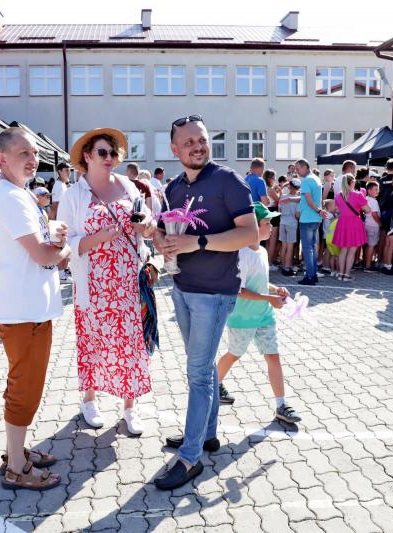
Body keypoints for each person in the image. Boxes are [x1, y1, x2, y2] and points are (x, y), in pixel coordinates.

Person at [153, 115, 256, 490]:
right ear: (175, 149)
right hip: (182, 288)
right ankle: (207, 434)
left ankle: (190, 456)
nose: (197, 147)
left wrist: (197, 242)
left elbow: (250, 234)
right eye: (189, 142)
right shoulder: (174, 187)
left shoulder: (228, 180)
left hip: (214, 294)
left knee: (197, 373)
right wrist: (163, 243)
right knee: (204, 366)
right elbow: (162, 231)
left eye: (202, 140)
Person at [0, 127, 70, 491]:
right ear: (2, 159)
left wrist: (54, 237)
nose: (33, 159)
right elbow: (43, 256)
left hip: (28, 308)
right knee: (25, 390)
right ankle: (17, 468)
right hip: (25, 312)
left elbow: (37, 245)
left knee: (23, 386)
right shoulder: (11, 197)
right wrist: (66, 249)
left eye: (34, 153)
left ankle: (15, 453)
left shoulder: (16, 193)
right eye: (24, 153)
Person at [57, 128, 155, 436]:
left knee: (131, 344)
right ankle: (90, 400)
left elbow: (147, 224)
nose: (109, 157)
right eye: (102, 152)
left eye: (113, 153)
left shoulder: (128, 186)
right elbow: (65, 242)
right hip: (93, 284)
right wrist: (99, 238)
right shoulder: (74, 195)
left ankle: (130, 407)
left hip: (127, 282)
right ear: (87, 156)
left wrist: (147, 226)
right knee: (92, 342)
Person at [216, 202, 302, 423]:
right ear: (253, 226)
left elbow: (260, 283)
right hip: (242, 318)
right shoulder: (241, 254)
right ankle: (214, 384)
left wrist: (275, 290)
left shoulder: (262, 252)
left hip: (264, 316)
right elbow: (239, 290)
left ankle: (281, 405)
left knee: (273, 356)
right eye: (267, 223)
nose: (272, 227)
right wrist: (269, 298)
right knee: (234, 354)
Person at [296, 159, 328, 285]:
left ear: (305, 167)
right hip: (315, 218)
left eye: (298, 168)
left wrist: (319, 210)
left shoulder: (306, 180)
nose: (297, 171)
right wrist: (319, 211)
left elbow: (309, 201)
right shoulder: (316, 179)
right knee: (313, 248)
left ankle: (310, 276)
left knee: (307, 249)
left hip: (308, 218)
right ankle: (313, 275)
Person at [333, 174, 369, 281]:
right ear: (352, 182)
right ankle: (347, 275)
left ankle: (340, 274)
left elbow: (336, 209)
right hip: (354, 223)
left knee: (343, 250)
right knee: (352, 251)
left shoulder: (338, 196)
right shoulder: (358, 195)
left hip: (342, 223)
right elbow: (367, 209)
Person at [278, 178, 300, 276]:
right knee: (290, 247)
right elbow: (297, 215)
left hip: (282, 222)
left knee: (284, 246)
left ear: (289, 186)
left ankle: (283, 266)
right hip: (292, 224)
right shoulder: (298, 200)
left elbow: (279, 211)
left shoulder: (283, 196)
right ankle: (287, 268)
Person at [363, 181, 382, 272]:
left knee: (368, 245)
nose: (378, 191)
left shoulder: (366, 199)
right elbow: (374, 214)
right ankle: (368, 266)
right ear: (369, 190)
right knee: (371, 245)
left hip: (367, 224)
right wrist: (380, 223)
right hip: (373, 225)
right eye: (375, 189)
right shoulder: (374, 201)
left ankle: (366, 263)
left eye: (378, 189)